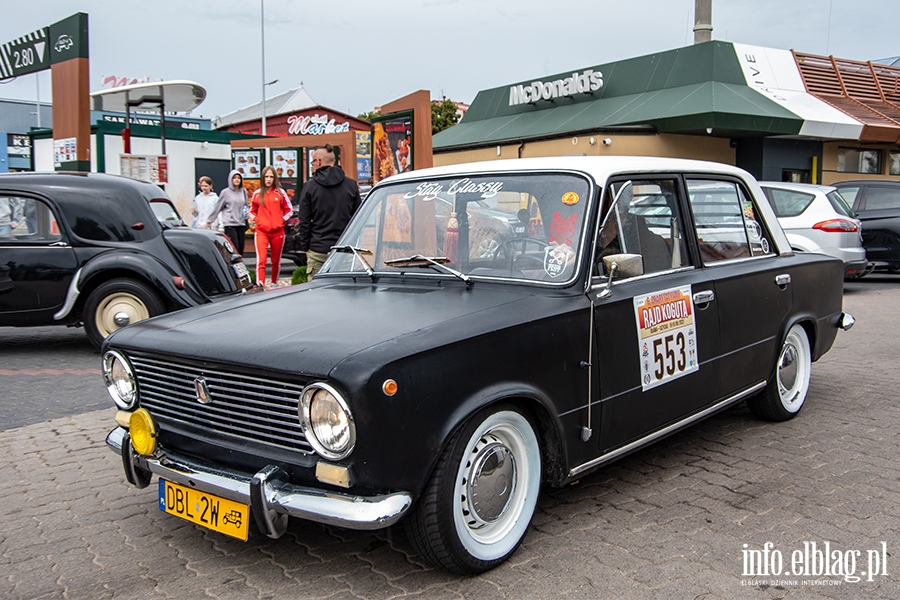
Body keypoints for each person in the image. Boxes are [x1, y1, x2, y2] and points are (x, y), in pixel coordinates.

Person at [297, 144, 362, 279]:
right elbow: (359, 218)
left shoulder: (310, 187)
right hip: (345, 248)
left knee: (316, 295)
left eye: (313, 162)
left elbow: (304, 220)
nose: (313, 165)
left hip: (318, 248)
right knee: (345, 293)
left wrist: (306, 247)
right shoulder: (350, 185)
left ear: (319, 162)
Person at [249, 165, 292, 289]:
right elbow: (251, 211)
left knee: (275, 260)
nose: (268, 179)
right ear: (262, 178)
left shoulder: (280, 193)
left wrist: (281, 220)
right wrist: (258, 220)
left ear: (275, 178)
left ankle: (274, 282)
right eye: (266, 176)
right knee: (261, 260)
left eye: (271, 177)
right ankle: (260, 284)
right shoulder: (257, 194)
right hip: (261, 231)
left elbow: (288, 210)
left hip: (278, 231)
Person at [207, 170, 249, 255]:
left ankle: (239, 266)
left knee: (241, 249)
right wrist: (209, 221)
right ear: (231, 179)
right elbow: (217, 207)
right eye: (234, 178)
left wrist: (246, 215)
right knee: (235, 248)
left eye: (238, 178)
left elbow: (246, 205)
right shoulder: (225, 192)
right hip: (230, 224)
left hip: (241, 223)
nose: (237, 180)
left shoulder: (243, 191)